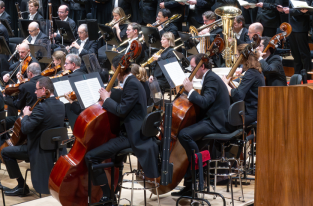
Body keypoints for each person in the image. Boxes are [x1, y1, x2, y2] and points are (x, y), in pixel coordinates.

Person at [86, 56, 159, 205]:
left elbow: (122, 110)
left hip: (132, 136)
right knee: (113, 157)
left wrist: (106, 99)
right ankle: (113, 191)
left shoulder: (131, 83)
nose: (114, 75)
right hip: (133, 132)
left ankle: (107, 197)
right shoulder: (133, 82)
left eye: (114, 72)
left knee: (90, 157)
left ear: (119, 70)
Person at [173, 53, 231, 197]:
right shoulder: (209, 77)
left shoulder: (211, 78)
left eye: (193, 68)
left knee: (184, 134)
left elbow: (205, 102)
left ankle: (197, 176)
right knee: (190, 143)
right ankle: (189, 184)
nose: (192, 71)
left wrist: (190, 90)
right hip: (211, 118)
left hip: (216, 122)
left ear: (202, 67)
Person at [2, 77, 67, 197]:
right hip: (55, 148)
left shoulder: (41, 108)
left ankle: (21, 186)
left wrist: (26, 116)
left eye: (36, 90)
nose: (35, 92)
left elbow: (25, 129)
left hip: (39, 149)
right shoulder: (61, 105)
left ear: (44, 89)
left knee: (5, 151)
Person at [280, 0, 313, 75]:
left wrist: (289, 10)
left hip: (300, 26)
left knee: (303, 53)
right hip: (292, 26)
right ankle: (297, 75)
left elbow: (305, 10)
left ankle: (306, 75)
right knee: (295, 53)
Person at [226, 43, 264, 125]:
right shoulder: (255, 70)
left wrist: (225, 84)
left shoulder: (251, 73)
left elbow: (238, 96)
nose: (236, 57)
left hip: (249, 113)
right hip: (251, 110)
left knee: (222, 121)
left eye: (237, 55)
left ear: (242, 57)